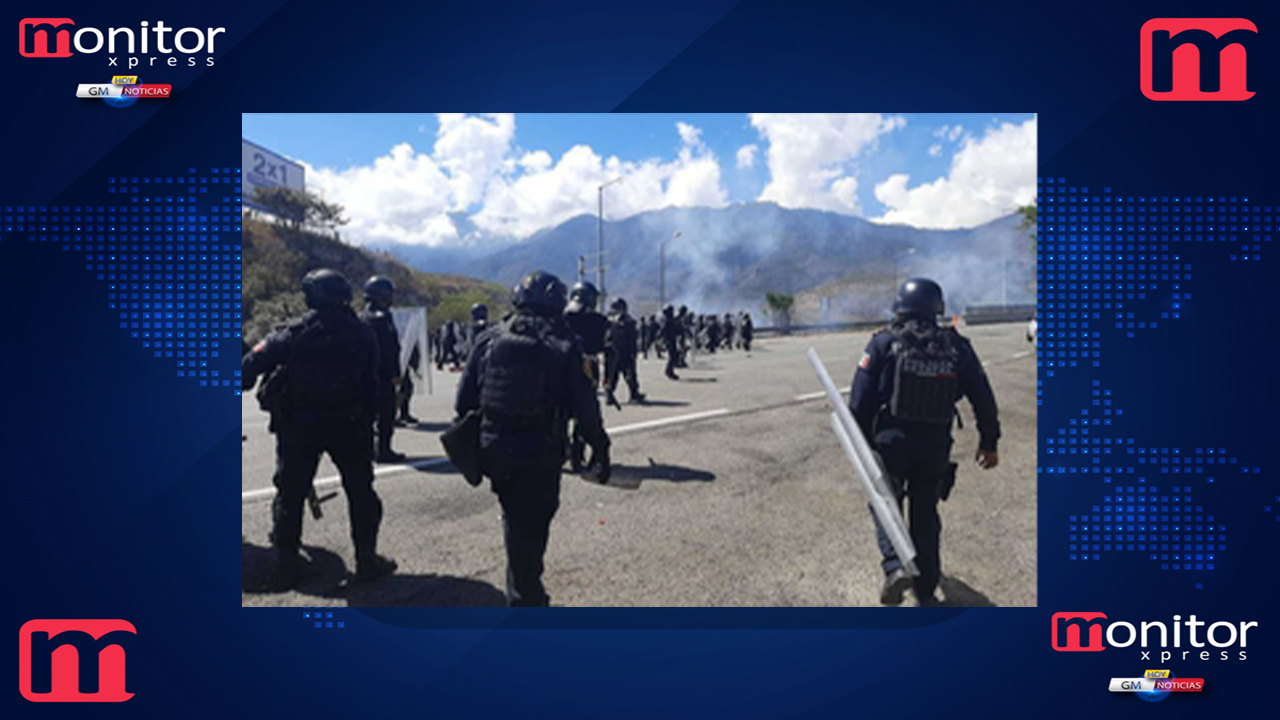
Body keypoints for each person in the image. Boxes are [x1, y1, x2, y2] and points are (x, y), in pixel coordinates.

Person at [455, 270, 611, 606]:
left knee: (515, 518)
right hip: (538, 453)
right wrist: (601, 449)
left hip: (493, 449)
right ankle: (525, 603)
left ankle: (523, 588)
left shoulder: (489, 338)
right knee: (531, 528)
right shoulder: (566, 345)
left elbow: (462, 402)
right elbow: (586, 410)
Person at [848, 278, 999, 606]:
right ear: (937, 307)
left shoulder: (883, 342)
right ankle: (926, 587)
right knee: (925, 513)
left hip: (890, 443)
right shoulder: (956, 346)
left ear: (900, 306)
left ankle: (894, 567)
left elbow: (859, 400)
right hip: (934, 445)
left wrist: (858, 444)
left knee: (885, 504)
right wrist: (989, 440)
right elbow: (982, 396)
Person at [242, 269, 396, 588]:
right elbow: (374, 382)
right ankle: (366, 559)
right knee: (362, 493)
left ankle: (286, 567)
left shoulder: (292, 333)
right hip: (351, 426)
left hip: (300, 427)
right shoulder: (364, 333)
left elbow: (247, 368)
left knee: (290, 495)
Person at [563, 281, 610, 470]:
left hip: (562, 365)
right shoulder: (598, 320)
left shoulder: (561, 316)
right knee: (585, 411)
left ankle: (565, 451)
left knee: (561, 410)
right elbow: (609, 349)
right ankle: (578, 453)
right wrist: (609, 380)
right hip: (587, 366)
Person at [361, 276, 406, 463]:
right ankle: (384, 450)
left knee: (368, 415)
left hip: (366, 375)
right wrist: (396, 374)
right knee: (386, 416)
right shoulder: (382, 319)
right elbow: (390, 349)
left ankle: (370, 450)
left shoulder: (362, 317)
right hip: (383, 375)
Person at [604, 297, 645, 405]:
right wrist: (634, 352)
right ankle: (633, 394)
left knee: (612, 375)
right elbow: (632, 339)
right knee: (629, 374)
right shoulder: (628, 321)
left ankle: (609, 395)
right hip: (624, 352)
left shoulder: (608, 320)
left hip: (612, 352)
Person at [660, 305, 681, 380]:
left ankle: (670, 371)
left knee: (674, 356)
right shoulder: (667, 320)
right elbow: (663, 331)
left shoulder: (670, 320)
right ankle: (669, 371)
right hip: (669, 340)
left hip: (672, 339)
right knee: (672, 356)